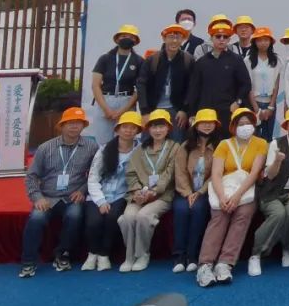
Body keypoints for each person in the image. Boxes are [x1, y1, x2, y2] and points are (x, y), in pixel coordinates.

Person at [19, 107, 99, 278]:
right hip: (47, 197)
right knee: (36, 218)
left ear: (83, 126)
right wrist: (37, 197)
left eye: (78, 123)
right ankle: (28, 261)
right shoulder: (45, 148)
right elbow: (31, 176)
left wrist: (82, 190)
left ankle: (63, 254)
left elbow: (96, 174)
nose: (74, 126)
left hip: (72, 196)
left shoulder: (92, 147)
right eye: (70, 123)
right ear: (61, 125)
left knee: (75, 216)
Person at [196, 107, 268, 288]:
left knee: (243, 215)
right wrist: (222, 197)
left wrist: (237, 196)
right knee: (219, 216)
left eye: (248, 123)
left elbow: (254, 173)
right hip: (224, 189)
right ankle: (205, 265)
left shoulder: (261, 143)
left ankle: (225, 263)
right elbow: (216, 174)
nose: (245, 127)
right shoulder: (224, 144)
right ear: (234, 126)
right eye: (241, 124)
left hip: (247, 190)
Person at [249, 107, 289, 276]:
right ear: (286, 126)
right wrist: (277, 161)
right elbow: (270, 175)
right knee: (278, 213)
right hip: (271, 191)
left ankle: (288, 249)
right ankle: (256, 254)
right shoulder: (276, 144)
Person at [119, 109, 177, 272]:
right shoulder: (140, 150)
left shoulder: (174, 148)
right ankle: (129, 256)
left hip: (162, 196)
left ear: (168, 128)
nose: (158, 130)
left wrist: (154, 192)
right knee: (128, 217)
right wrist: (137, 191)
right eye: (154, 127)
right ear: (148, 129)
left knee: (143, 216)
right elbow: (131, 174)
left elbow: (170, 174)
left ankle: (142, 254)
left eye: (161, 126)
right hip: (139, 195)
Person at [83, 110, 140, 272]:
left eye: (133, 128)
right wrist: (101, 201)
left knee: (112, 218)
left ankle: (104, 254)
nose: (128, 131)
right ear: (117, 129)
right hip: (99, 194)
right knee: (93, 222)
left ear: (138, 131)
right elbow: (93, 177)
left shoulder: (140, 150)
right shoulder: (105, 149)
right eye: (125, 127)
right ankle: (92, 253)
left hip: (122, 194)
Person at [172, 110, 220, 274]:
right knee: (181, 209)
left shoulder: (220, 146)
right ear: (196, 125)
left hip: (205, 192)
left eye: (210, 122)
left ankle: (193, 256)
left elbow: (216, 174)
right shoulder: (185, 146)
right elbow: (179, 172)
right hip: (185, 192)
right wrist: (187, 193)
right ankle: (179, 256)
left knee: (199, 209)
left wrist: (200, 192)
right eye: (203, 122)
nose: (207, 125)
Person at [185, 16, 253, 132]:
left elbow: (246, 84)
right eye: (218, 36)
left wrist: (238, 102)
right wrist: (192, 113)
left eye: (225, 37)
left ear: (229, 39)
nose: (222, 39)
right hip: (206, 113)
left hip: (229, 111)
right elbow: (194, 89)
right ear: (211, 38)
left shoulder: (236, 60)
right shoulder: (201, 62)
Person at [137, 24, 194, 143]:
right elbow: (141, 85)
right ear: (164, 38)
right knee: (147, 143)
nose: (174, 41)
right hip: (153, 109)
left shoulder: (188, 60)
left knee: (176, 144)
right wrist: (144, 112)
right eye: (171, 37)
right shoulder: (153, 59)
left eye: (178, 37)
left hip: (176, 111)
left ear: (183, 40)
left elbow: (192, 87)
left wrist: (185, 110)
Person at [89, 24, 145, 143]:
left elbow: (140, 88)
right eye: (124, 36)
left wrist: (123, 110)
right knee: (103, 142)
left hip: (127, 102)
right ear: (117, 39)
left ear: (135, 41)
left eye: (131, 37)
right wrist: (106, 109)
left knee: (125, 141)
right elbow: (95, 85)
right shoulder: (105, 58)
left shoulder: (139, 61)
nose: (127, 39)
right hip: (105, 101)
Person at [248, 27, 282, 140]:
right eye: (259, 40)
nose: (263, 43)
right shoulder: (248, 60)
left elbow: (276, 85)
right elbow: (248, 85)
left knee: (268, 138)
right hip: (254, 103)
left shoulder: (276, 59)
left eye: (266, 40)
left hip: (270, 103)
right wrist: (256, 109)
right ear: (254, 42)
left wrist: (271, 107)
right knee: (253, 137)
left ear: (270, 42)